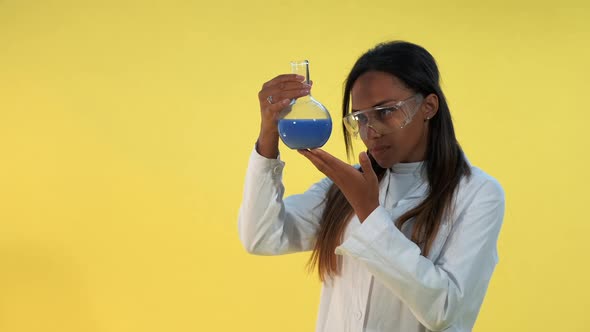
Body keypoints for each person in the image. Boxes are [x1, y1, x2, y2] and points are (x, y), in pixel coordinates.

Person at [238, 41, 505, 332]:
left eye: (386, 111)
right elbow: (262, 237)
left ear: (429, 106)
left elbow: (445, 311)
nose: (371, 131)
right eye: (360, 118)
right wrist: (268, 136)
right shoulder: (346, 188)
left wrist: (368, 211)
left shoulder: (478, 194)